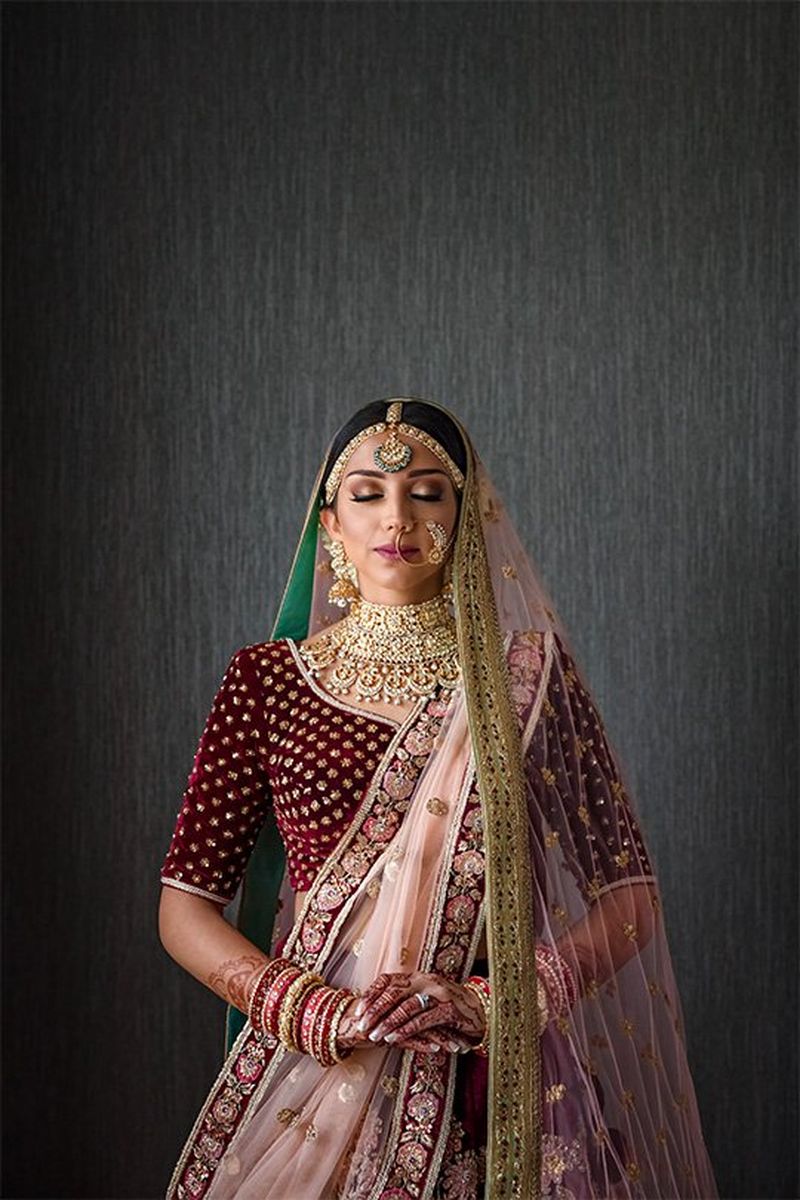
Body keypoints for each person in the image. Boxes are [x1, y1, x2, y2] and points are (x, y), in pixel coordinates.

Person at [158, 398, 718, 1200]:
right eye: (367, 493)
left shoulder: (529, 680)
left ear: (466, 516)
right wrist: (312, 1011)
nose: (397, 515)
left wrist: (497, 1002)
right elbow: (184, 909)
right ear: (330, 523)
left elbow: (629, 900)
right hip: (320, 1065)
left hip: (496, 1078)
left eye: (427, 492)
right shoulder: (268, 682)